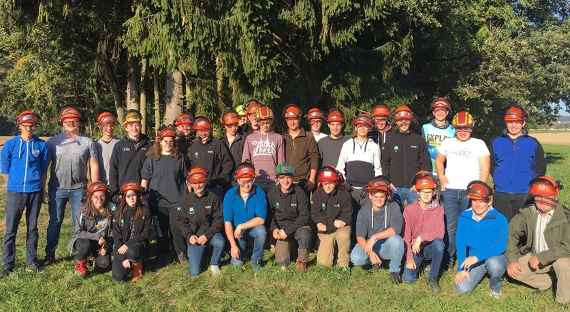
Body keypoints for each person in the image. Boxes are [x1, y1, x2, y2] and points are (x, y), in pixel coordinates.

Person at [45, 106, 100, 265]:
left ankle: (80, 256)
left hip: (79, 189)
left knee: (80, 222)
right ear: (62, 123)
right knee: (55, 222)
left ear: (79, 123)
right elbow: (44, 167)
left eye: (74, 121)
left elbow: (94, 165)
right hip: (57, 189)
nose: (71, 124)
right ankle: (50, 255)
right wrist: (42, 188)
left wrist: (94, 188)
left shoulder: (87, 142)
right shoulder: (53, 143)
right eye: (68, 122)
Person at [435, 111, 490, 268]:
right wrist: (441, 176)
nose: (463, 131)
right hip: (450, 191)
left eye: (466, 128)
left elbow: (485, 167)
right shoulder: (448, 142)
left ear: (471, 128)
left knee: (470, 225)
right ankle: (450, 257)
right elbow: (439, 160)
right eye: (459, 128)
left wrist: (480, 189)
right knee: (450, 227)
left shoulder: (479, 144)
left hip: (470, 192)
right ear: (454, 128)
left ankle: (468, 258)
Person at [507, 176, 570, 304]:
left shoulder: (565, 216)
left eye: (547, 197)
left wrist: (542, 257)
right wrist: (512, 260)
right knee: (513, 271)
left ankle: (563, 300)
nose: (542, 201)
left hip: (558, 256)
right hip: (534, 254)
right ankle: (548, 282)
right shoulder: (527, 213)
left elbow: (567, 247)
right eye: (539, 197)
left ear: (555, 196)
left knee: (563, 264)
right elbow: (510, 235)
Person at [1, 110, 48, 276]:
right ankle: (7, 264)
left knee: (33, 228)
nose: (29, 128)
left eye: (32, 125)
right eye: (25, 125)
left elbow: (43, 171)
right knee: (10, 229)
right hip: (15, 192)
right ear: (19, 125)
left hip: (34, 191)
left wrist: (42, 190)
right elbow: (4, 168)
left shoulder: (42, 145)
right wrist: (11, 185)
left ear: (35, 126)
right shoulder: (10, 145)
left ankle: (31, 261)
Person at [490, 105, 546, 220]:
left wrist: (531, 187)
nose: (513, 125)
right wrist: (499, 180)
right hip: (501, 194)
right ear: (506, 123)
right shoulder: (496, 142)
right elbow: (491, 165)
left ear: (523, 123)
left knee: (524, 230)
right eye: (510, 122)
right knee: (503, 229)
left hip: (525, 195)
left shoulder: (533, 143)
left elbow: (540, 168)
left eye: (517, 122)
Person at [454, 181, 508, 298]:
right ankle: (483, 272)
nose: (478, 205)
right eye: (474, 200)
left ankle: (495, 286)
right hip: (475, 261)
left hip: (493, 256)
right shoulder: (464, 217)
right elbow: (461, 244)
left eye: (482, 201)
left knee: (495, 265)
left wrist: (477, 257)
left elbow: (501, 245)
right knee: (461, 288)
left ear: (489, 201)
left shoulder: (499, 218)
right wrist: (461, 269)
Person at [141, 126, 187, 262]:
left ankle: (180, 252)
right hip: (158, 201)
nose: (168, 144)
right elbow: (145, 180)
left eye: (171, 141)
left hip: (176, 200)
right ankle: (163, 255)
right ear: (159, 141)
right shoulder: (152, 159)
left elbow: (186, 179)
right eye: (165, 141)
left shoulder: (179, 158)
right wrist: (143, 199)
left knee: (176, 229)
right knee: (161, 230)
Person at [172, 167, 225, 277]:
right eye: (194, 183)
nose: (197, 186)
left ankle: (214, 263)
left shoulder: (214, 198)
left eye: (200, 182)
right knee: (195, 272)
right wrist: (189, 236)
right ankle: (201, 254)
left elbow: (219, 220)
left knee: (220, 242)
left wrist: (207, 236)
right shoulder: (185, 200)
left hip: (209, 234)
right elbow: (181, 222)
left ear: (205, 181)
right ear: (190, 184)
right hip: (195, 238)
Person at [350, 177, 404, 283]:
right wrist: (370, 252)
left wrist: (375, 237)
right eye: (375, 196)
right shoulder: (364, 210)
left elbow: (396, 229)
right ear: (370, 196)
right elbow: (360, 236)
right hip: (370, 243)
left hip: (386, 242)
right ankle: (374, 261)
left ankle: (394, 270)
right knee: (356, 258)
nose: (379, 200)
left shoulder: (393, 206)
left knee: (397, 240)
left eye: (382, 197)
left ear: (386, 196)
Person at [402, 173, 445, 292]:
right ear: (418, 193)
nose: (426, 195)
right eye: (423, 192)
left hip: (430, 246)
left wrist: (421, 237)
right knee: (408, 279)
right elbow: (406, 236)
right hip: (416, 249)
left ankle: (433, 278)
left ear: (434, 193)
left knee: (439, 244)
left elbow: (440, 232)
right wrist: (409, 258)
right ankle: (423, 264)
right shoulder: (409, 210)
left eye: (429, 192)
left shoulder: (439, 210)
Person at [223, 163, 267, 272]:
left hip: (251, 228)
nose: (247, 185)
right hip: (238, 234)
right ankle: (240, 252)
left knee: (262, 231)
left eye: (250, 181)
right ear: (238, 180)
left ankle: (256, 260)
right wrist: (233, 245)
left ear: (253, 179)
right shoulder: (230, 194)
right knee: (236, 265)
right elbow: (227, 222)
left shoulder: (259, 192)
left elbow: (261, 219)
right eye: (243, 182)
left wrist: (242, 226)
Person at [382, 104, 429, 207]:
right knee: (395, 218)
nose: (403, 122)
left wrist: (419, 183)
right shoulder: (390, 140)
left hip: (414, 188)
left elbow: (425, 164)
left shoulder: (419, 140)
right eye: (400, 120)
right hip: (394, 187)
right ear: (397, 122)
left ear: (410, 120)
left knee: (415, 218)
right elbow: (385, 163)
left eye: (406, 120)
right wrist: (387, 182)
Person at [268, 164, 312, 272]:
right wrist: (274, 229)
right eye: (282, 177)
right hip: (281, 228)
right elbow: (270, 215)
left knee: (305, 233)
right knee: (281, 261)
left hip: (298, 226)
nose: (285, 181)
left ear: (293, 178)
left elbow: (304, 216)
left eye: (288, 177)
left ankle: (302, 261)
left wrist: (287, 231)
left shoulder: (300, 192)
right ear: (278, 179)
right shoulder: (272, 193)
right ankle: (290, 251)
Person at [336, 112, 382, 208]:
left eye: (365, 126)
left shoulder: (374, 146)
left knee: (365, 218)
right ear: (356, 128)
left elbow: (378, 169)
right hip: (349, 189)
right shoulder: (347, 144)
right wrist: (345, 184)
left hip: (367, 191)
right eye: (359, 126)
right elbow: (340, 168)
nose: (362, 129)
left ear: (369, 128)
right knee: (349, 217)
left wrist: (372, 187)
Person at [311, 166, 352, 268]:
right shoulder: (317, 195)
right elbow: (315, 214)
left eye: (331, 183)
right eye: (325, 183)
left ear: (336, 182)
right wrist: (319, 222)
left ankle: (343, 264)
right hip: (326, 228)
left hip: (340, 227)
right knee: (323, 264)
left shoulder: (344, 194)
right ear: (321, 183)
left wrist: (341, 221)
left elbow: (347, 214)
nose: (328, 186)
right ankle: (331, 251)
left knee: (343, 236)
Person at [70, 181, 112, 278]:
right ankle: (80, 262)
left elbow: (112, 233)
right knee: (85, 244)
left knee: (104, 264)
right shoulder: (83, 210)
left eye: (102, 196)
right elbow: (78, 232)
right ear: (90, 197)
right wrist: (96, 237)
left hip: (100, 243)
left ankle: (92, 258)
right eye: (96, 197)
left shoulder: (109, 211)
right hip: (82, 240)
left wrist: (106, 246)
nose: (99, 199)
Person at [112, 182, 151, 282]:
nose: (131, 198)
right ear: (124, 198)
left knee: (132, 251)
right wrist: (123, 257)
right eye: (128, 196)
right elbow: (116, 235)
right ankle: (128, 262)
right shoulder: (119, 213)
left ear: (137, 196)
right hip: (122, 247)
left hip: (138, 245)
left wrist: (128, 244)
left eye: (133, 195)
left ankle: (137, 266)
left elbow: (146, 233)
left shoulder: (145, 211)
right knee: (118, 277)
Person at [241, 106, 285, 193]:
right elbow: (246, 161)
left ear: (271, 122)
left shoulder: (278, 138)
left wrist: (280, 179)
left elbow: (281, 161)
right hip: (256, 181)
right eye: (262, 122)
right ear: (258, 122)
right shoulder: (250, 138)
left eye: (267, 122)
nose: (265, 125)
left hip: (273, 181)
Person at [108, 109, 152, 198]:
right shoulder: (119, 146)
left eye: (137, 125)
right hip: (124, 193)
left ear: (141, 126)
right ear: (126, 127)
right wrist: (115, 192)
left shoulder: (149, 145)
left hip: (143, 192)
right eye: (131, 125)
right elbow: (113, 169)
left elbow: (153, 168)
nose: (134, 128)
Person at [187, 116, 233, 197]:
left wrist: (220, 181)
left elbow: (228, 164)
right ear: (197, 131)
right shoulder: (193, 146)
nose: (203, 133)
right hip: (198, 188)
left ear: (210, 129)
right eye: (200, 131)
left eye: (206, 130)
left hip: (215, 188)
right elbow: (189, 167)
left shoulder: (218, 144)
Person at [283, 104, 319, 192]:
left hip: (303, 181)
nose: (292, 123)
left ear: (299, 119)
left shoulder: (308, 137)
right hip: (285, 181)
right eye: (289, 120)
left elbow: (314, 158)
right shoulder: (282, 137)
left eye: (294, 119)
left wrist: (312, 179)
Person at [422, 98, 455, 176]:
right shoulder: (425, 127)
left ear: (447, 112)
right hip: (428, 170)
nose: (440, 113)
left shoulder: (453, 130)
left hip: (446, 171)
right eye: (437, 110)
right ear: (433, 113)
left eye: (443, 110)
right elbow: (421, 150)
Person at [94, 111, 119, 185]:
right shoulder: (95, 145)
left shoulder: (119, 144)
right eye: (105, 126)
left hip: (116, 183)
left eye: (111, 125)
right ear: (100, 126)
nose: (109, 128)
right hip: (101, 184)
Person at [221, 111, 245, 176]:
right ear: (225, 126)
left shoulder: (243, 140)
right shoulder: (220, 142)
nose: (233, 128)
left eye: (236, 125)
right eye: (230, 126)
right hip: (224, 178)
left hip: (239, 177)